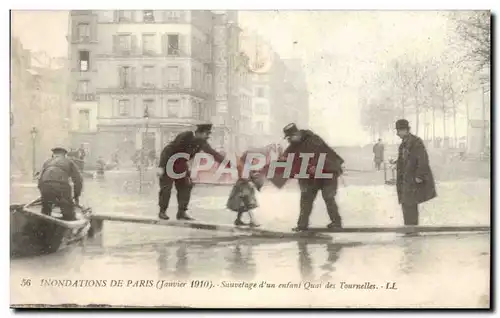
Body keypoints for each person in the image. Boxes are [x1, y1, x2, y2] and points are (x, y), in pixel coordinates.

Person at [276, 123, 345, 232]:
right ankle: (302, 225)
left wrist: (314, 165)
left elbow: (321, 154)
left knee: (328, 197)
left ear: (297, 134)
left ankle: (336, 223)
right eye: (288, 138)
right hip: (311, 176)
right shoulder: (294, 144)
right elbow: (285, 157)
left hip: (328, 172)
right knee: (306, 198)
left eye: (290, 137)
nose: (289, 140)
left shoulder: (314, 140)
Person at [157, 123, 226, 221]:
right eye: (206, 134)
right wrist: (161, 166)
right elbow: (168, 149)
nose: (207, 136)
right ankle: (162, 211)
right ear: (199, 133)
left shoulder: (202, 143)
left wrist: (227, 163)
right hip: (169, 162)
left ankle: (181, 212)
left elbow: (213, 153)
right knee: (166, 189)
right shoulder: (187, 135)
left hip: (181, 164)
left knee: (186, 186)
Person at [394, 119, 437, 226]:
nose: (397, 134)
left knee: (410, 203)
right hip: (405, 179)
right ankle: (409, 228)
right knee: (406, 203)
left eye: (399, 131)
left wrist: (419, 175)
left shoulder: (416, 141)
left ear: (405, 130)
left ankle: (411, 229)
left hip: (412, 178)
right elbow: (406, 158)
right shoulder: (403, 143)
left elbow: (423, 159)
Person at [37, 147, 83, 221]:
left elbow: (39, 180)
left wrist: (43, 194)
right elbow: (78, 180)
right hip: (61, 185)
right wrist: (76, 195)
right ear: (64, 155)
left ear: (53, 154)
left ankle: (44, 222)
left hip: (45, 185)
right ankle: (69, 220)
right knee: (68, 211)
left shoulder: (47, 162)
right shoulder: (69, 161)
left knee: (46, 209)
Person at [226, 149, 265, 227]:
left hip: (243, 186)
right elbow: (243, 175)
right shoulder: (243, 164)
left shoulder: (246, 164)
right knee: (248, 204)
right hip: (243, 186)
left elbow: (250, 174)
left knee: (242, 204)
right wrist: (250, 181)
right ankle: (253, 221)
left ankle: (238, 220)